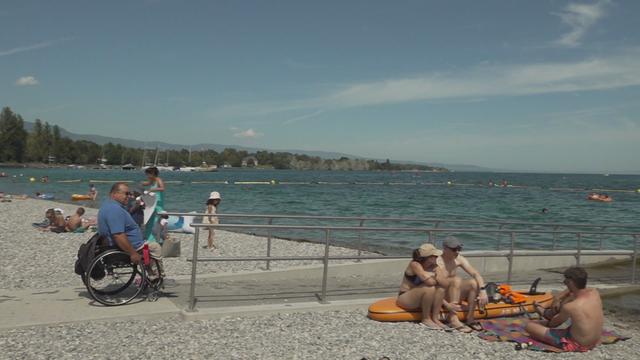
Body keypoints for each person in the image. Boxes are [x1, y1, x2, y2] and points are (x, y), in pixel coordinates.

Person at [525, 267, 603, 352]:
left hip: (577, 344)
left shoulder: (571, 307)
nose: (564, 283)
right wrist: (557, 298)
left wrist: (538, 322)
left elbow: (552, 324)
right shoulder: (594, 292)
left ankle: (546, 313)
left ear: (570, 282)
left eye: (565, 281)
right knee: (570, 297)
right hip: (594, 341)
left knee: (529, 326)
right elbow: (574, 290)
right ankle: (548, 313)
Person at [98, 182, 163, 268]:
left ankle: (150, 271)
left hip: (125, 244)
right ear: (114, 194)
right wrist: (133, 253)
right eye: (126, 193)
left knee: (149, 247)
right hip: (133, 247)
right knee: (155, 247)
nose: (129, 196)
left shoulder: (108, 205)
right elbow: (118, 235)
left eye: (129, 193)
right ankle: (155, 276)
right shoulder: (114, 209)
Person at [436, 236, 488, 332]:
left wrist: (482, 291)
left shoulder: (459, 259)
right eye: (454, 249)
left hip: (453, 294)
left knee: (473, 283)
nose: (457, 252)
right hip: (439, 296)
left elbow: (475, 274)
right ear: (445, 248)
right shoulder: (437, 262)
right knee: (456, 279)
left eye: (459, 249)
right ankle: (453, 318)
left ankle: (470, 318)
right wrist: (446, 305)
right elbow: (432, 287)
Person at [396, 243, 454, 330]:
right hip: (405, 298)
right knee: (429, 287)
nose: (437, 257)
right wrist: (435, 276)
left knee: (441, 289)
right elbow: (430, 282)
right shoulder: (415, 264)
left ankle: (435, 318)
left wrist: (435, 275)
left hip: (423, 299)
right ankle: (426, 319)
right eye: (435, 256)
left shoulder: (434, 266)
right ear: (428, 257)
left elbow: (446, 284)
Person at [142, 167, 165, 242]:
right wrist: (141, 184)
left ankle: (156, 237)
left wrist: (152, 189)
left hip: (158, 202)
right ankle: (149, 236)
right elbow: (147, 183)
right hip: (152, 201)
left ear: (152, 174)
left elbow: (162, 188)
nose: (147, 176)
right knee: (150, 218)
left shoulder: (158, 180)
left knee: (157, 218)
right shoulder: (152, 180)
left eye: (148, 174)